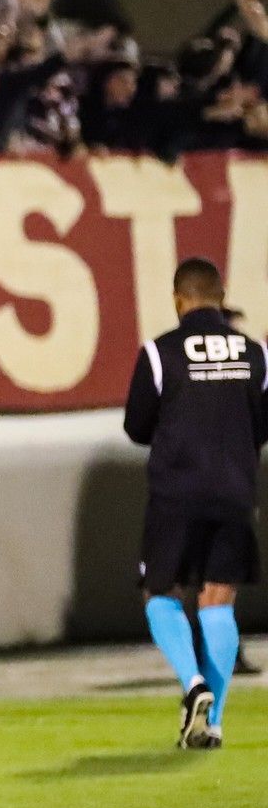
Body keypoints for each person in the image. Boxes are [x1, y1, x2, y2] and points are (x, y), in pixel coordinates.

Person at [123, 258, 268, 750]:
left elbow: (137, 427)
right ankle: (215, 721)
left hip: (176, 495)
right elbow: (263, 424)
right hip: (234, 492)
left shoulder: (160, 353)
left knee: (161, 593)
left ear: (178, 300)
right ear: (222, 297)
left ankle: (192, 683)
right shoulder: (256, 354)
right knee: (218, 601)